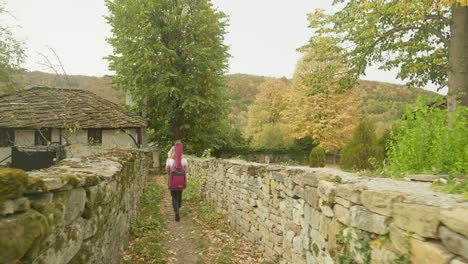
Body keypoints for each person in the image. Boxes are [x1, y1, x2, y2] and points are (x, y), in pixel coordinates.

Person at [166, 145, 188, 222]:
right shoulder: (184, 160)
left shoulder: (169, 160)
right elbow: (186, 170)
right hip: (181, 181)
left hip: (172, 182)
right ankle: (178, 206)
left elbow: (167, 171)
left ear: (172, 152)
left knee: (174, 196)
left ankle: (176, 213)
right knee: (179, 194)